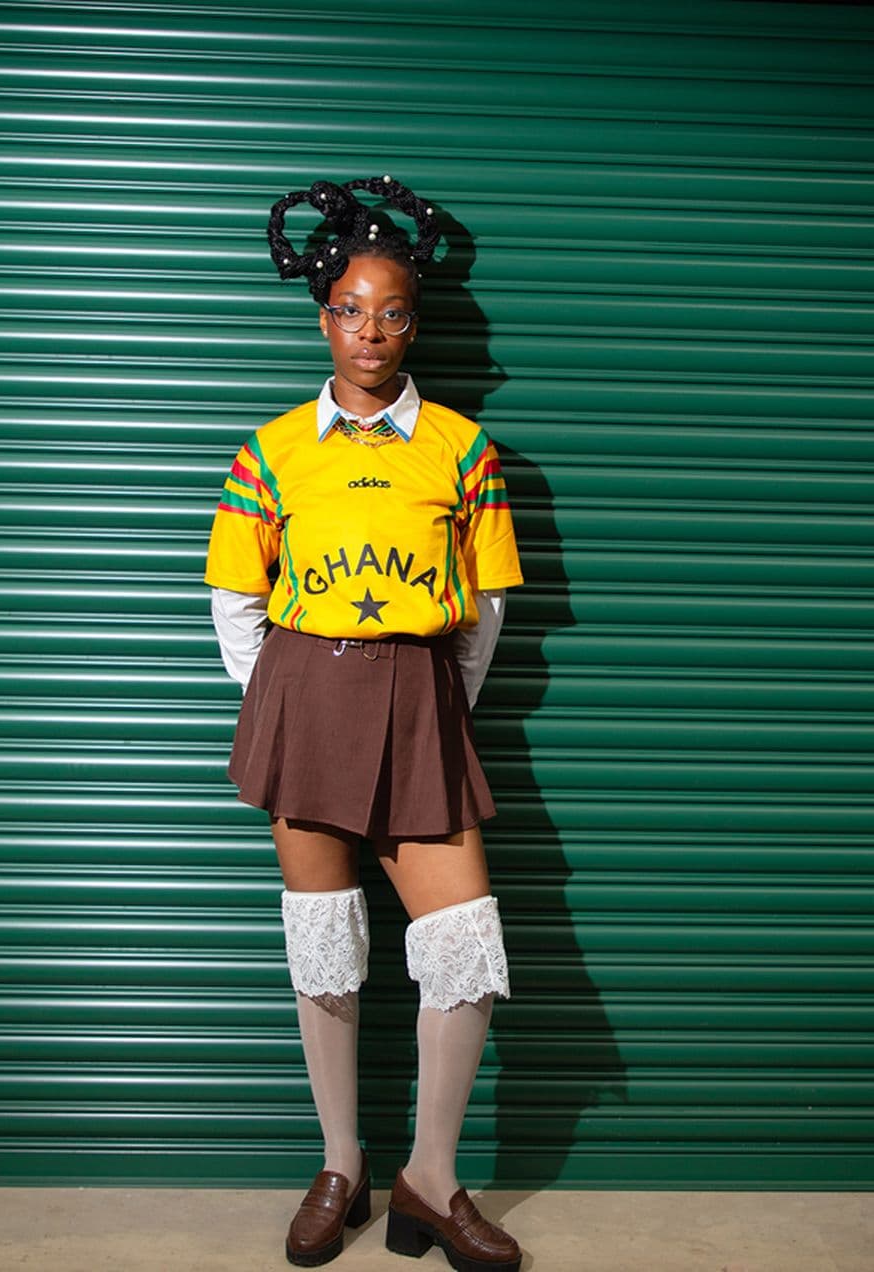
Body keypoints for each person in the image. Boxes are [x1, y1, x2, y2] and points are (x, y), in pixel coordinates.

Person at [203, 176, 525, 1272]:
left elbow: (482, 615)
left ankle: (429, 1179)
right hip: (304, 694)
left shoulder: (466, 452)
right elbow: (234, 600)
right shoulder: (273, 448)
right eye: (349, 308)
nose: (370, 331)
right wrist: (284, 702)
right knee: (326, 947)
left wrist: (425, 703)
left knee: (465, 948)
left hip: (420, 697)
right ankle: (339, 1163)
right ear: (322, 315)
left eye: (392, 311)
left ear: (414, 322)